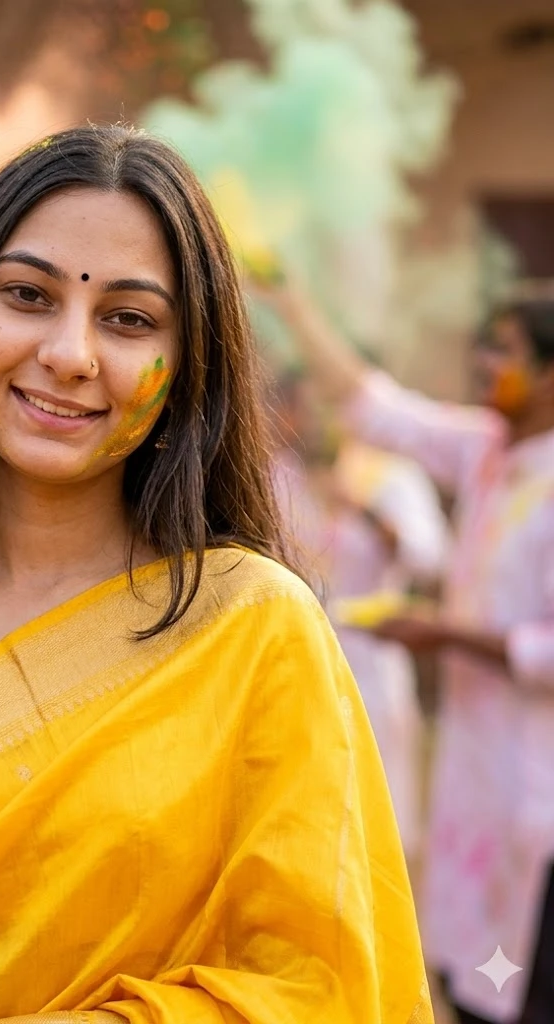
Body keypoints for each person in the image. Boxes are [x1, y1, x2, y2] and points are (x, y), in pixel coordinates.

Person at [0, 126, 431, 1024]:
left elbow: (326, 986)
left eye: (129, 319)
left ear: (187, 370)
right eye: (27, 295)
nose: (69, 353)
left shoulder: (257, 627)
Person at [260, 279, 554, 1024]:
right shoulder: (489, 450)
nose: (484, 361)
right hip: (472, 781)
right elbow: (373, 404)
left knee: (524, 989)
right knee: (470, 985)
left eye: (505, 349)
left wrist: (447, 632)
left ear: (550, 373)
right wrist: (291, 302)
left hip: (535, 803)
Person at [269, 370, 450, 858]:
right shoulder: (274, 473)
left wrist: (364, 511)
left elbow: (429, 558)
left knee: (372, 818)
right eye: (302, 407)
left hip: (371, 662)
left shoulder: (391, 476)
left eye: (324, 408)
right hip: (292, 660)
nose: (309, 419)